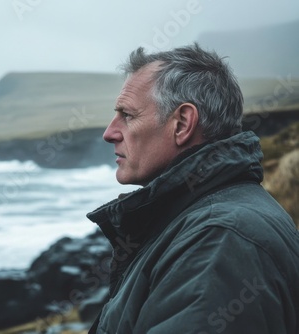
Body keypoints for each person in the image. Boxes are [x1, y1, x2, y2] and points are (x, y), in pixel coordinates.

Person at [86, 43, 299, 333]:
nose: (109, 133)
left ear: (182, 124)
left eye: (128, 115)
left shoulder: (219, 238)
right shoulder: (205, 221)